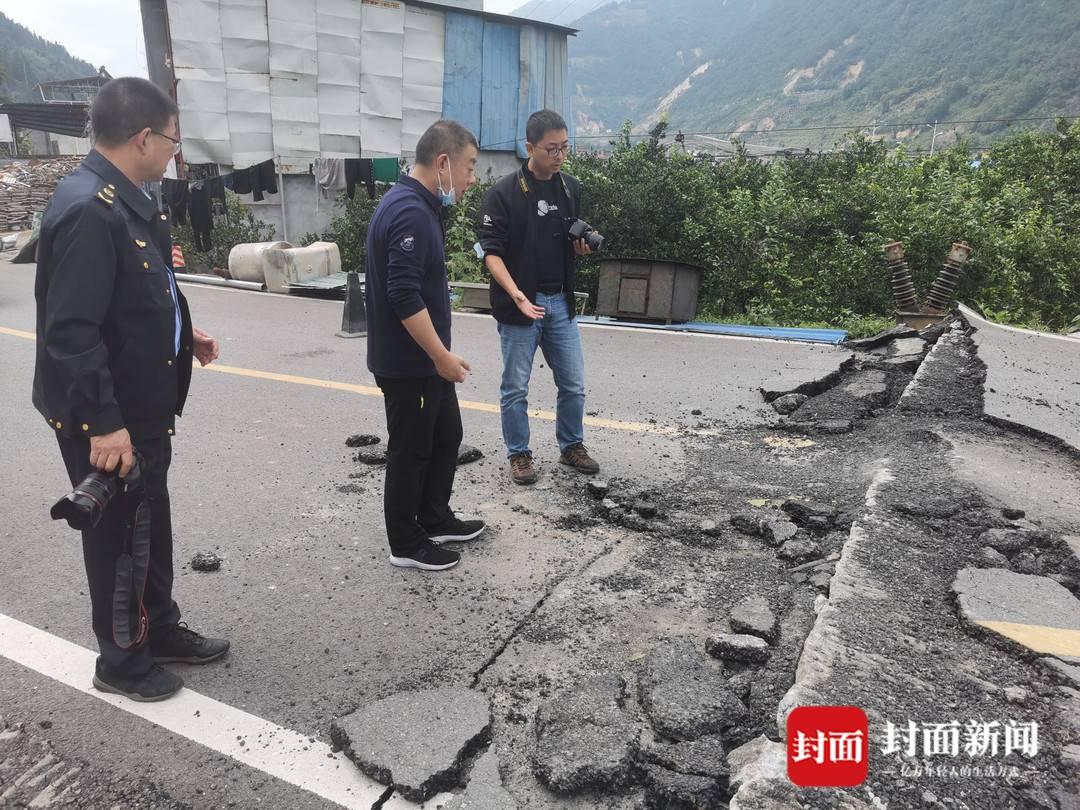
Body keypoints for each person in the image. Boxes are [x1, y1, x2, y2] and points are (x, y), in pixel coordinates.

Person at [33, 77, 229, 702]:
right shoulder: (90, 208)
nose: (176, 151)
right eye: (172, 139)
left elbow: (137, 292)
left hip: (141, 405)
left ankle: (160, 628)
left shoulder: (124, 198)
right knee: (118, 538)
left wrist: (179, 332)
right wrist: (104, 423)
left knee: (150, 523)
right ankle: (120, 662)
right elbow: (70, 332)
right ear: (145, 137)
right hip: (108, 415)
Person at [364, 120, 485, 572]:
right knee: (411, 450)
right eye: (469, 167)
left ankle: (435, 517)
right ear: (442, 162)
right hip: (410, 363)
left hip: (425, 362)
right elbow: (402, 293)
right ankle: (406, 541)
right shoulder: (411, 211)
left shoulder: (417, 205)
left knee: (445, 436)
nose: (472, 178)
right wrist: (440, 356)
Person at [479, 109, 600, 485]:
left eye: (564, 147)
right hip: (521, 306)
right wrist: (515, 294)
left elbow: (566, 239)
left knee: (574, 383)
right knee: (515, 386)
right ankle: (519, 454)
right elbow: (491, 252)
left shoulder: (570, 188)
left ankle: (571, 446)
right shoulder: (503, 194)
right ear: (529, 147)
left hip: (559, 301)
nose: (560, 155)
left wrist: (579, 250)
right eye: (551, 149)